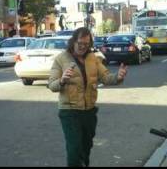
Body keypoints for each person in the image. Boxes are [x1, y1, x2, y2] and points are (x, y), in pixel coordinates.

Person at [47, 27, 128, 167]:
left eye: (86, 44)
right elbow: (51, 85)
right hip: (70, 112)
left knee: (86, 147)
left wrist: (118, 77)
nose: (83, 47)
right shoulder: (61, 59)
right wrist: (62, 80)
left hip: (89, 111)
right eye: (80, 43)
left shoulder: (93, 58)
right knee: (74, 150)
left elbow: (106, 77)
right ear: (73, 41)